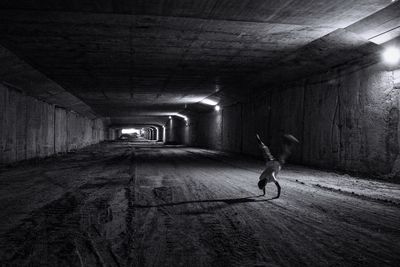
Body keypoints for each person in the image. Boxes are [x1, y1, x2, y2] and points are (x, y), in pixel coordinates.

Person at [256, 133, 299, 198]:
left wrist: (277, 196)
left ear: (264, 184)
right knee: (265, 150)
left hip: (276, 164)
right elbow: (264, 185)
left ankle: (289, 142)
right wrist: (264, 194)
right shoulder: (261, 178)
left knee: (285, 153)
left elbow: (279, 187)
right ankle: (260, 142)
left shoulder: (272, 177)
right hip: (270, 162)